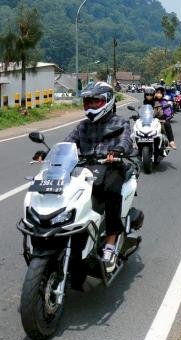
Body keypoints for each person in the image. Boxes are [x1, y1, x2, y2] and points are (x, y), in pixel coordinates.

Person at [33, 82, 133, 272]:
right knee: (63, 190)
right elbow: (67, 143)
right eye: (88, 102)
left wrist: (118, 150)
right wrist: (48, 154)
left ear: (107, 101)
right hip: (85, 168)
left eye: (96, 102)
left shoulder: (121, 122)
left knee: (111, 191)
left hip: (111, 166)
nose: (91, 106)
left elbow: (126, 141)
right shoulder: (83, 126)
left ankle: (111, 242)